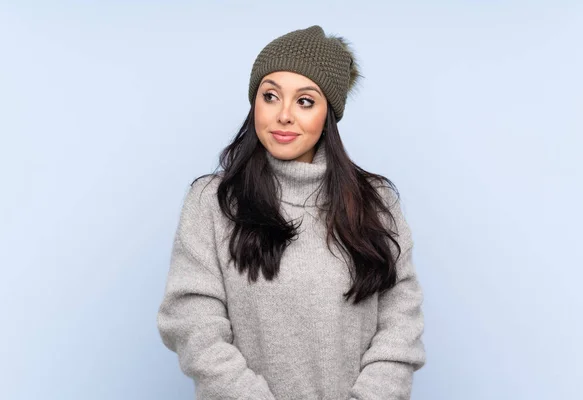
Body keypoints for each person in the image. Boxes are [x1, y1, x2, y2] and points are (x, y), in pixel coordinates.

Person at [157, 25, 426, 400]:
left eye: (305, 101)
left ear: (327, 114)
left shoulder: (376, 203)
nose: (284, 115)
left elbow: (400, 323)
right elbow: (192, 323)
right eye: (270, 96)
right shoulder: (212, 202)